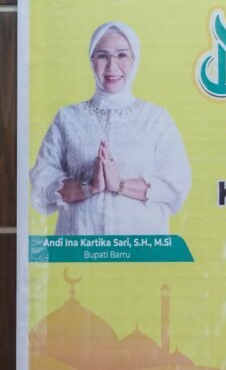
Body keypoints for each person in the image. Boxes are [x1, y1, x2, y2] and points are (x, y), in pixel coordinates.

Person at [30, 21, 191, 235]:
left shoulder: (156, 119)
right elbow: (41, 184)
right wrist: (89, 186)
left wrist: (120, 185)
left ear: (134, 59)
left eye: (122, 55)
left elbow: (175, 186)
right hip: (79, 247)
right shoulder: (68, 118)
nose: (112, 66)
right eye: (103, 56)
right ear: (91, 60)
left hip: (141, 248)